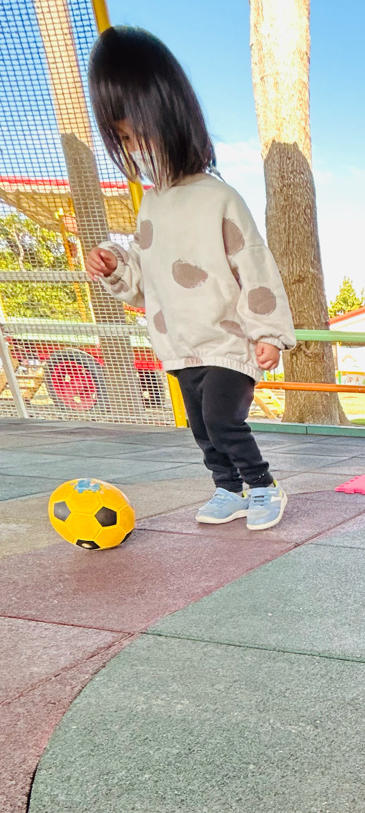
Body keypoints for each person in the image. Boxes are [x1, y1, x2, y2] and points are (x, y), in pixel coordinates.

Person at [84, 26, 296, 530]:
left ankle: (263, 486)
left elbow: (255, 266)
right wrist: (117, 266)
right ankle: (227, 488)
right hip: (180, 346)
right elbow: (146, 285)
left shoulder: (218, 197)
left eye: (140, 134)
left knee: (223, 419)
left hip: (228, 342)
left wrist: (268, 333)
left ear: (172, 119)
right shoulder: (150, 205)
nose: (135, 148)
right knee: (202, 428)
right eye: (123, 140)